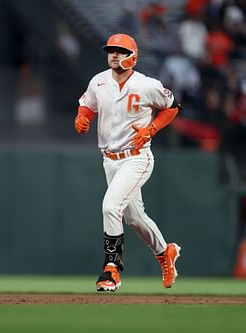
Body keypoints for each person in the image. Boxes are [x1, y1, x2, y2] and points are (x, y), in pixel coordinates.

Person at [74, 33, 182, 292]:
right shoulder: (99, 82)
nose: (114, 54)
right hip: (109, 159)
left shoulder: (146, 84)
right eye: (111, 50)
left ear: (132, 56)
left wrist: (152, 128)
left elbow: (172, 106)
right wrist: (82, 117)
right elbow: (87, 105)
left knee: (111, 206)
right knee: (135, 218)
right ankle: (165, 252)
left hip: (137, 157)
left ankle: (111, 270)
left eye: (120, 51)